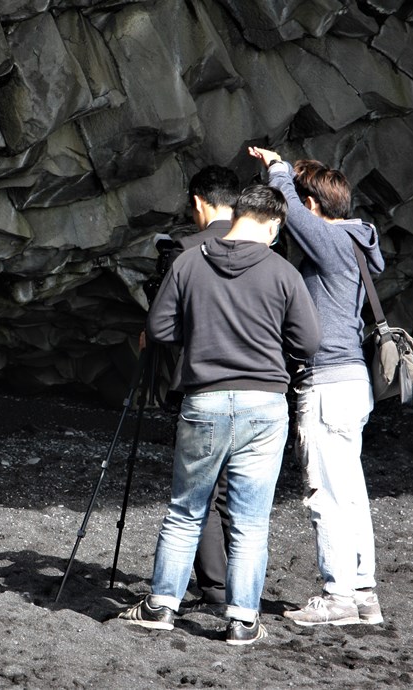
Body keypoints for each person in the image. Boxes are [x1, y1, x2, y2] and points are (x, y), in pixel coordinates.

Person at [118, 185, 321, 645]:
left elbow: (159, 328)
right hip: (265, 403)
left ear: (236, 217)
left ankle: (160, 606)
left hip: (205, 399)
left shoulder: (189, 262)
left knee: (186, 510)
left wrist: (203, 329)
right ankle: (243, 620)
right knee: (250, 520)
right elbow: (309, 342)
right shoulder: (282, 271)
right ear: (273, 224)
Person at [249, 146, 386, 626]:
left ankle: (337, 597)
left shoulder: (330, 240)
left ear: (313, 206)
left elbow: (287, 202)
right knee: (350, 491)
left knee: (325, 493)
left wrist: (279, 171)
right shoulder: (355, 242)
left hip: (326, 384)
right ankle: (363, 593)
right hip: (350, 383)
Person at [173, 165, 240, 611]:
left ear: (199, 202)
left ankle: (213, 586)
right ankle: (242, 593)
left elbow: (165, 324)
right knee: (244, 496)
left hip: (205, 386)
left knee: (201, 493)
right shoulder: (265, 251)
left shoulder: (185, 250)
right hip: (262, 391)